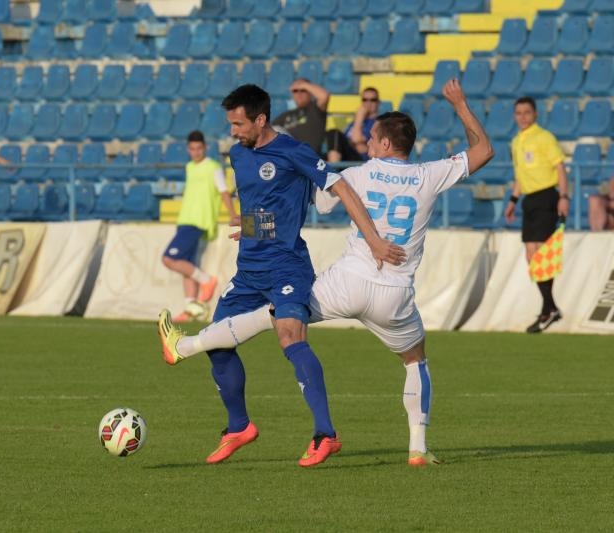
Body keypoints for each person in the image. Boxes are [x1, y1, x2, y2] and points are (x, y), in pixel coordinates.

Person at [159, 80, 494, 467]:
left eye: (371, 139)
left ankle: (184, 347)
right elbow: (484, 150)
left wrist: (358, 232)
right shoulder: (429, 174)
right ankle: (417, 448)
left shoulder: (360, 174)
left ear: (385, 145)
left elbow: (312, 199)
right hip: (395, 292)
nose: (367, 144)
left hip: (348, 282)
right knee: (415, 361)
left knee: (275, 318)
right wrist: (460, 105)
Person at [504, 97, 569, 333]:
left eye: (526, 112)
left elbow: (560, 168)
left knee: (540, 254)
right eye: (518, 113)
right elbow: (519, 176)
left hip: (546, 196)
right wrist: (513, 200)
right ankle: (549, 308)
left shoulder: (544, 137)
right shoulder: (516, 141)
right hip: (529, 200)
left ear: (535, 114)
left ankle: (548, 309)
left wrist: (564, 196)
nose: (522, 117)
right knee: (530, 256)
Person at [162, 130, 239, 322]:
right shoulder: (189, 167)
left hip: (198, 221)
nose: (196, 152)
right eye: (192, 149)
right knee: (186, 266)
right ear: (188, 150)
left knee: (169, 259)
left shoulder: (213, 167)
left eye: (199, 148)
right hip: (184, 220)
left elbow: (223, 192)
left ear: (204, 148)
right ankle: (191, 309)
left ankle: (207, 281)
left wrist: (233, 215)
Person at [270, 78, 329, 154]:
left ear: (310, 93)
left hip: (307, 154)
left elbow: (324, 96)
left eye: (303, 90)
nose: (299, 94)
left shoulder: (315, 108)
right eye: (295, 91)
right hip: (288, 155)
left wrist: (304, 85)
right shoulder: (285, 115)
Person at [326, 87, 381, 164]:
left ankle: (332, 170)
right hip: (347, 157)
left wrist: (359, 117)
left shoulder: (379, 124)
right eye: (365, 100)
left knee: (335, 134)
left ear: (378, 102)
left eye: (373, 100)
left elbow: (356, 141)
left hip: (362, 161)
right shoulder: (353, 123)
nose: (368, 103)